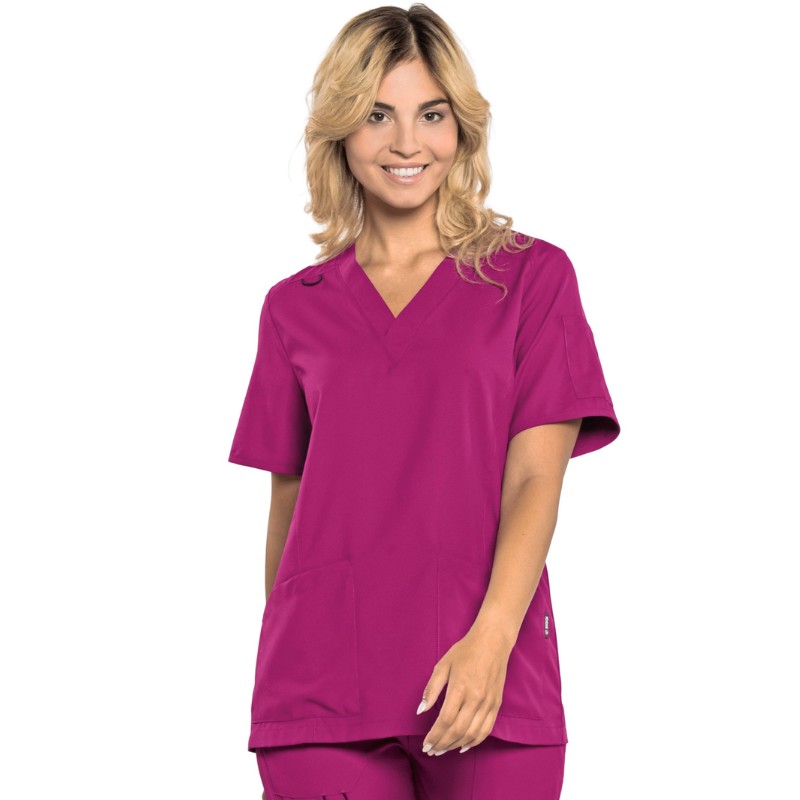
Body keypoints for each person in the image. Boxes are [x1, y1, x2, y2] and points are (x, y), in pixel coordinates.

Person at [228, 4, 621, 798]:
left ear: (461, 127)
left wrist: (492, 641)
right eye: (378, 114)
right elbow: (290, 499)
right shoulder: (293, 307)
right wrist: (297, 659)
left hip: (488, 678)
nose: (407, 142)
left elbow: (535, 478)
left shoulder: (532, 279)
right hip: (322, 693)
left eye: (431, 114)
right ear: (340, 129)